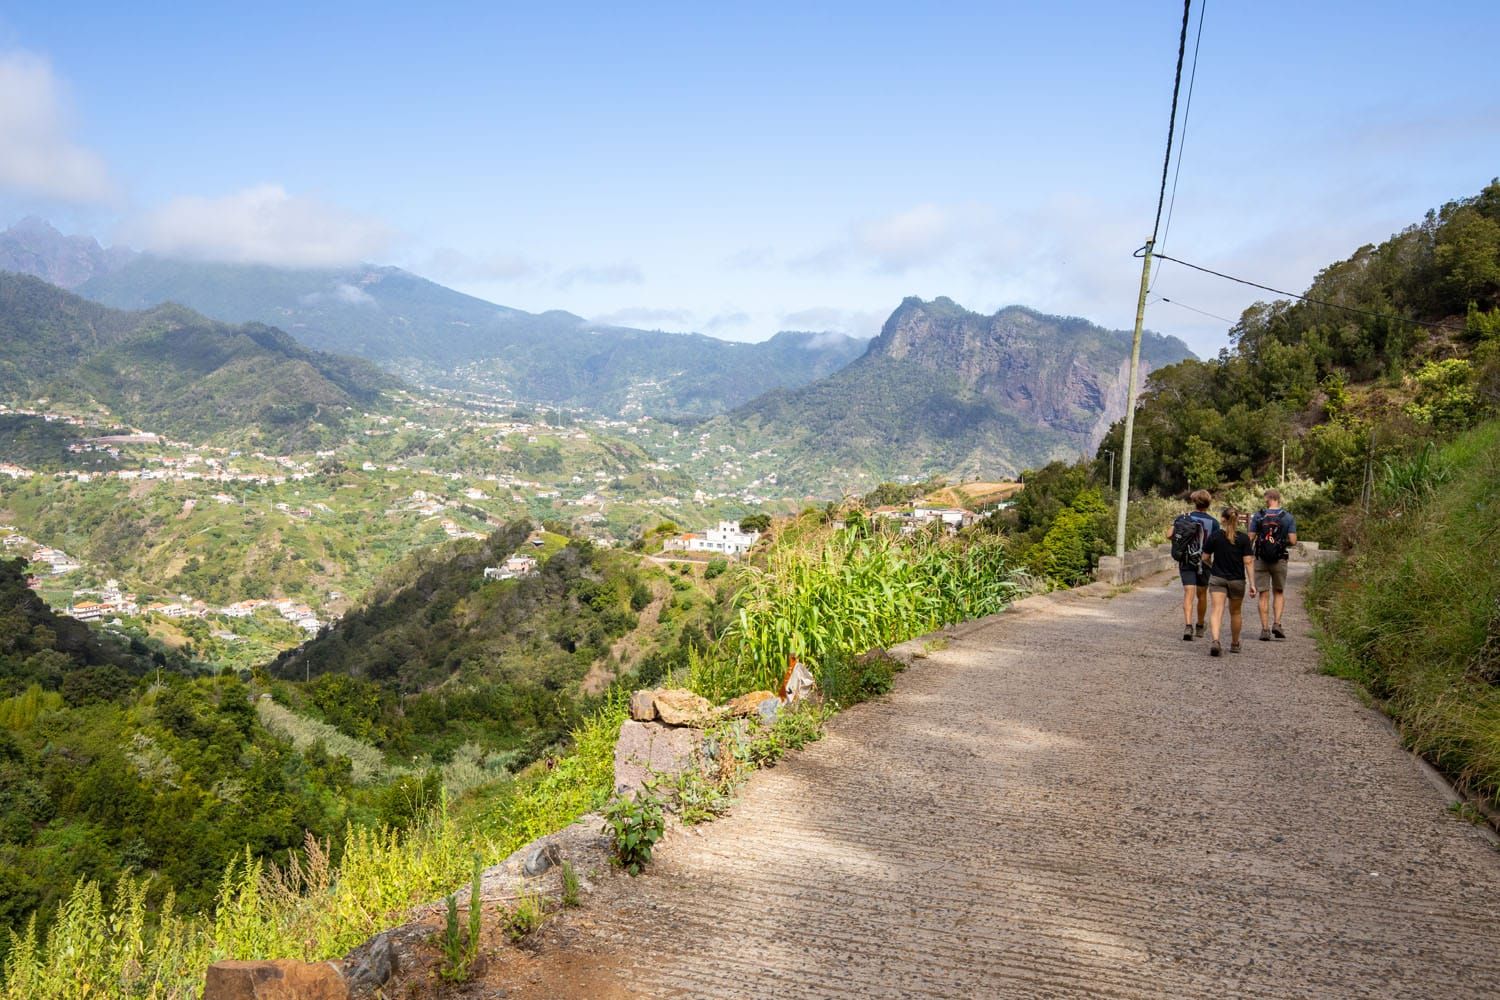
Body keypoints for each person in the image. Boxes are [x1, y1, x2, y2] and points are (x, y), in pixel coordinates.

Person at [1166, 489, 1219, 641]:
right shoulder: (1213, 522)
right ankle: (1200, 626)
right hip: (1204, 562)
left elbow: (1169, 534)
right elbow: (1215, 544)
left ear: (1194, 502)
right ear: (1208, 504)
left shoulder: (1183, 517)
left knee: (1188, 593)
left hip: (1186, 560)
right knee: (1202, 595)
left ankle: (1188, 626)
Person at [1202, 507, 1256, 656]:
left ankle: (1215, 641)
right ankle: (1235, 643)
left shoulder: (1215, 536)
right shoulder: (1244, 539)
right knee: (1236, 612)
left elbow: (1205, 557)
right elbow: (1248, 562)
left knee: (1216, 610)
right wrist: (1252, 584)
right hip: (1237, 580)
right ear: (1237, 520)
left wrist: (1212, 567)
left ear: (1222, 519)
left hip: (1218, 578)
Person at [1249, 488, 1298, 641]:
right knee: (1278, 592)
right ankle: (1276, 623)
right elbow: (1293, 540)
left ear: (1269, 499)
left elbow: (1250, 537)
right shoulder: (1288, 517)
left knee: (1263, 594)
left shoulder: (1259, 515)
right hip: (1280, 559)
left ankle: (1264, 630)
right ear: (1278, 499)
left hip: (1261, 559)